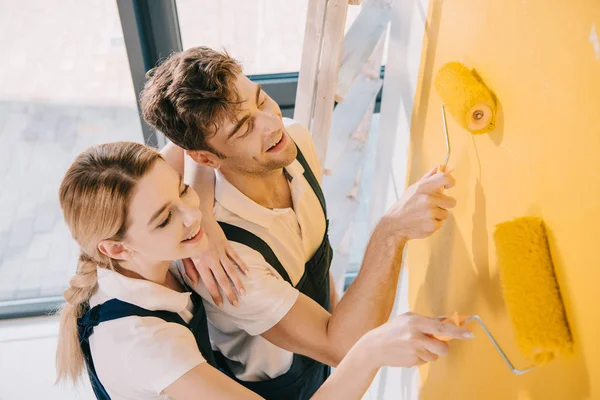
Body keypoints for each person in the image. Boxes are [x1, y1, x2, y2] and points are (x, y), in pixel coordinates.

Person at [139, 47, 463, 399]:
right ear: (205, 158)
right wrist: (391, 231)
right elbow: (341, 347)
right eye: (245, 128)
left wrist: (341, 309)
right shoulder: (231, 262)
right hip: (280, 388)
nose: (273, 123)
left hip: (325, 337)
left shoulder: (294, 142)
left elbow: (318, 271)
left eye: (261, 101)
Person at [55, 141, 472, 400]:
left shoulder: (131, 253)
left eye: (181, 190)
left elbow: (184, 145)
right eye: (165, 219)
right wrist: (372, 350)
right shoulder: (145, 345)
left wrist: (204, 221)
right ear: (115, 247)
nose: (191, 213)